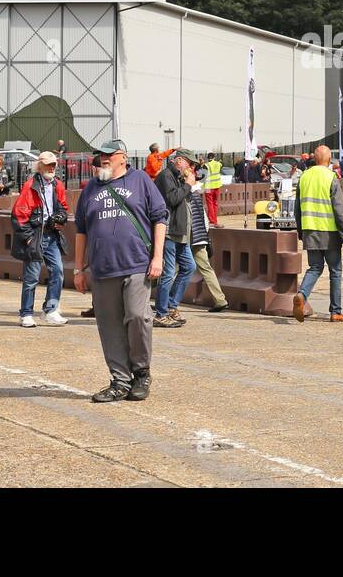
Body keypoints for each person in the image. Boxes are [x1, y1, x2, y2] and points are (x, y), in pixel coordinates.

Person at [74, 140, 168, 403]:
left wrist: (158, 257)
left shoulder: (140, 180)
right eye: (100, 156)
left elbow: (160, 218)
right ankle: (119, 381)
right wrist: (79, 268)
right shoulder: (90, 188)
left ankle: (141, 373)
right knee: (110, 326)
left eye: (108, 155)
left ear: (123, 157)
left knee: (138, 317)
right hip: (102, 269)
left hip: (136, 264)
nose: (103, 159)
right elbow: (81, 229)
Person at [293, 146, 343, 322]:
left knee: (315, 268)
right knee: (335, 271)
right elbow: (340, 210)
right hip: (330, 232)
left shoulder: (304, 177)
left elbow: (297, 209)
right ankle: (335, 311)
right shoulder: (330, 177)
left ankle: (302, 296)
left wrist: (301, 231)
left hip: (310, 230)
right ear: (328, 160)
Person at [12, 151, 70, 327]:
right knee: (31, 277)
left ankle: (51, 309)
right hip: (36, 234)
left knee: (58, 272)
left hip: (51, 234)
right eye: (48, 165)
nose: (52, 168)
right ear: (40, 166)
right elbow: (19, 214)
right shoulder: (31, 186)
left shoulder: (57, 185)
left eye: (54, 165)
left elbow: (63, 206)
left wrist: (61, 217)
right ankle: (26, 313)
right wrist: (29, 238)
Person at [154, 153, 198, 328]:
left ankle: (171, 305)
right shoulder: (166, 175)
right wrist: (187, 184)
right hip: (170, 231)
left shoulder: (179, 177)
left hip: (181, 233)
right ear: (179, 161)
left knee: (189, 267)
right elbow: (172, 199)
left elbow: (183, 200)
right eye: (189, 163)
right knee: (168, 272)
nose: (191, 168)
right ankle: (161, 313)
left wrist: (187, 184)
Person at [187, 183, 230, 312]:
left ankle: (165, 302)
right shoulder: (198, 199)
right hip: (200, 238)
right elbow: (205, 221)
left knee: (174, 269)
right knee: (206, 268)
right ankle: (220, 300)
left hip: (188, 238)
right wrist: (204, 236)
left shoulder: (184, 198)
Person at [203, 152, 223, 224]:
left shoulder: (206, 165)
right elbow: (220, 164)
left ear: (208, 158)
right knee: (215, 203)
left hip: (208, 187)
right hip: (217, 186)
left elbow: (203, 177)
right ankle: (215, 220)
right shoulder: (218, 164)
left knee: (210, 204)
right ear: (214, 157)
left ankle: (212, 220)